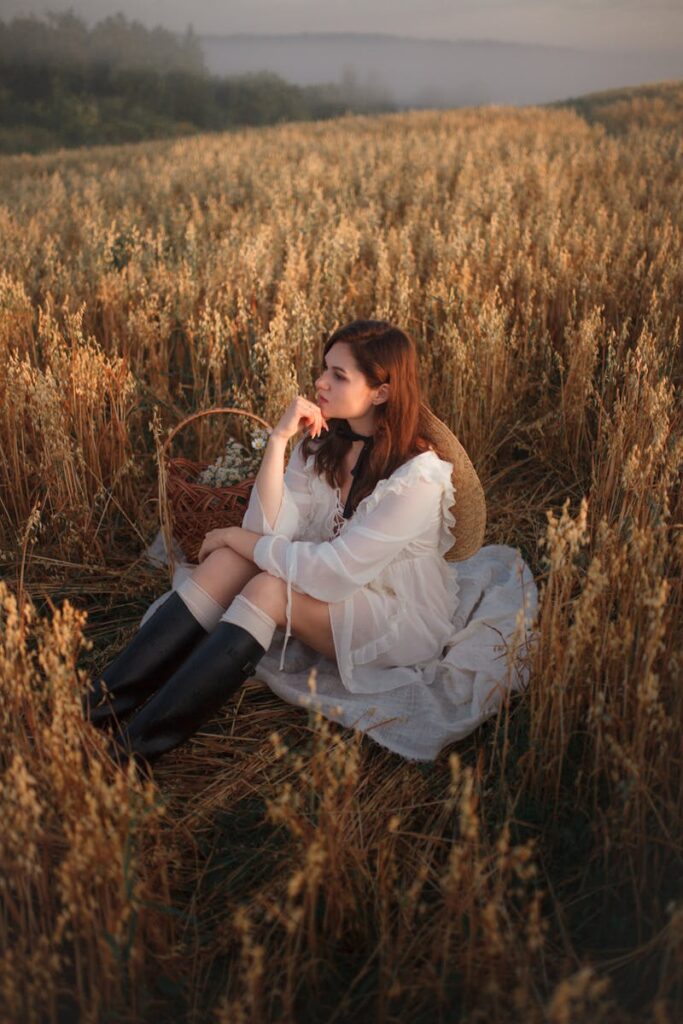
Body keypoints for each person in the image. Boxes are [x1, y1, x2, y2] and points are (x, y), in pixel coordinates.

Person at [83, 320, 538, 774]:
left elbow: (332, 573)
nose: (321, 382)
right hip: (329, 593)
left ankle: (133, 751)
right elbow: (267, 528)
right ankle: (95, 712)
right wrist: (279, 443)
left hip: (394, 615)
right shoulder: (324, 441)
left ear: (381, 391)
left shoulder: (418, 477)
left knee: (263, 586)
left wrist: (241, 539)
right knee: (226, 561)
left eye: (339, 375)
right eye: (325, 369)